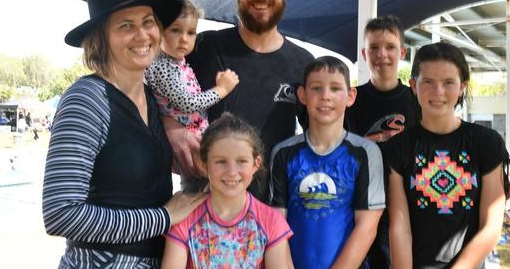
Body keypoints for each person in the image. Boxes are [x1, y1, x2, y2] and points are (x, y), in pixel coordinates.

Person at [42, 0, 205, 268]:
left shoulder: (153, 98)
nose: (142, 35)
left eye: (148, 22)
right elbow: (60, 214)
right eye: (126, 26)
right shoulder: (87, 100)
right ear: (100, 38)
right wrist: (164, 217)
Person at [164, 0, 314, 198]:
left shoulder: (303, 63)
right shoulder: (202, 47)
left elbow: (319, 135)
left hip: (272, 210)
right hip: (203, 203)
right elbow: (150, 91)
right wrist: (170, 125)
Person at [387, 42, 507, 268]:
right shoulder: (397, 148)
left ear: (462, 86)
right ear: (413, 85)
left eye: (448, 83)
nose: (438, 92)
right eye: (428, 82)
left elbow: (491, 226)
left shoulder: (487, 143)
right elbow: (399, 226)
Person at [270, 56, 385, 268]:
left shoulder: (366, 152)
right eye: (316, 88)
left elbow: (367, 227)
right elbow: (276, 226)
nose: (325, 96)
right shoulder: (283, 153)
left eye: (335, 88)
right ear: (302, 95)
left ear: (350, 96)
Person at [162, 113, 294, 269]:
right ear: (204, 164)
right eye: (221, 161)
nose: (232, 171)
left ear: (255, 164)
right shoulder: (185, 219)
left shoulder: (271, 221)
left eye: (241, 161)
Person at [345, 15, 418, 268]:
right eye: (374, 48)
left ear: (403, 52)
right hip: (362, 207)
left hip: (407, 206)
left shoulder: (417, 101)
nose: (382, 55)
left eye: (390, 47)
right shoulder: (351, 100)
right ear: (364, 54)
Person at [144, 0, 239, 141]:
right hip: (184, 142)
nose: (184, 39)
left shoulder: (176, 62)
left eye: (191, 32)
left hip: (195, 134)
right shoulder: (162, 67)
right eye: (175, 30)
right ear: (157, 31)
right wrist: (222, 89)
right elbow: (188, 103)